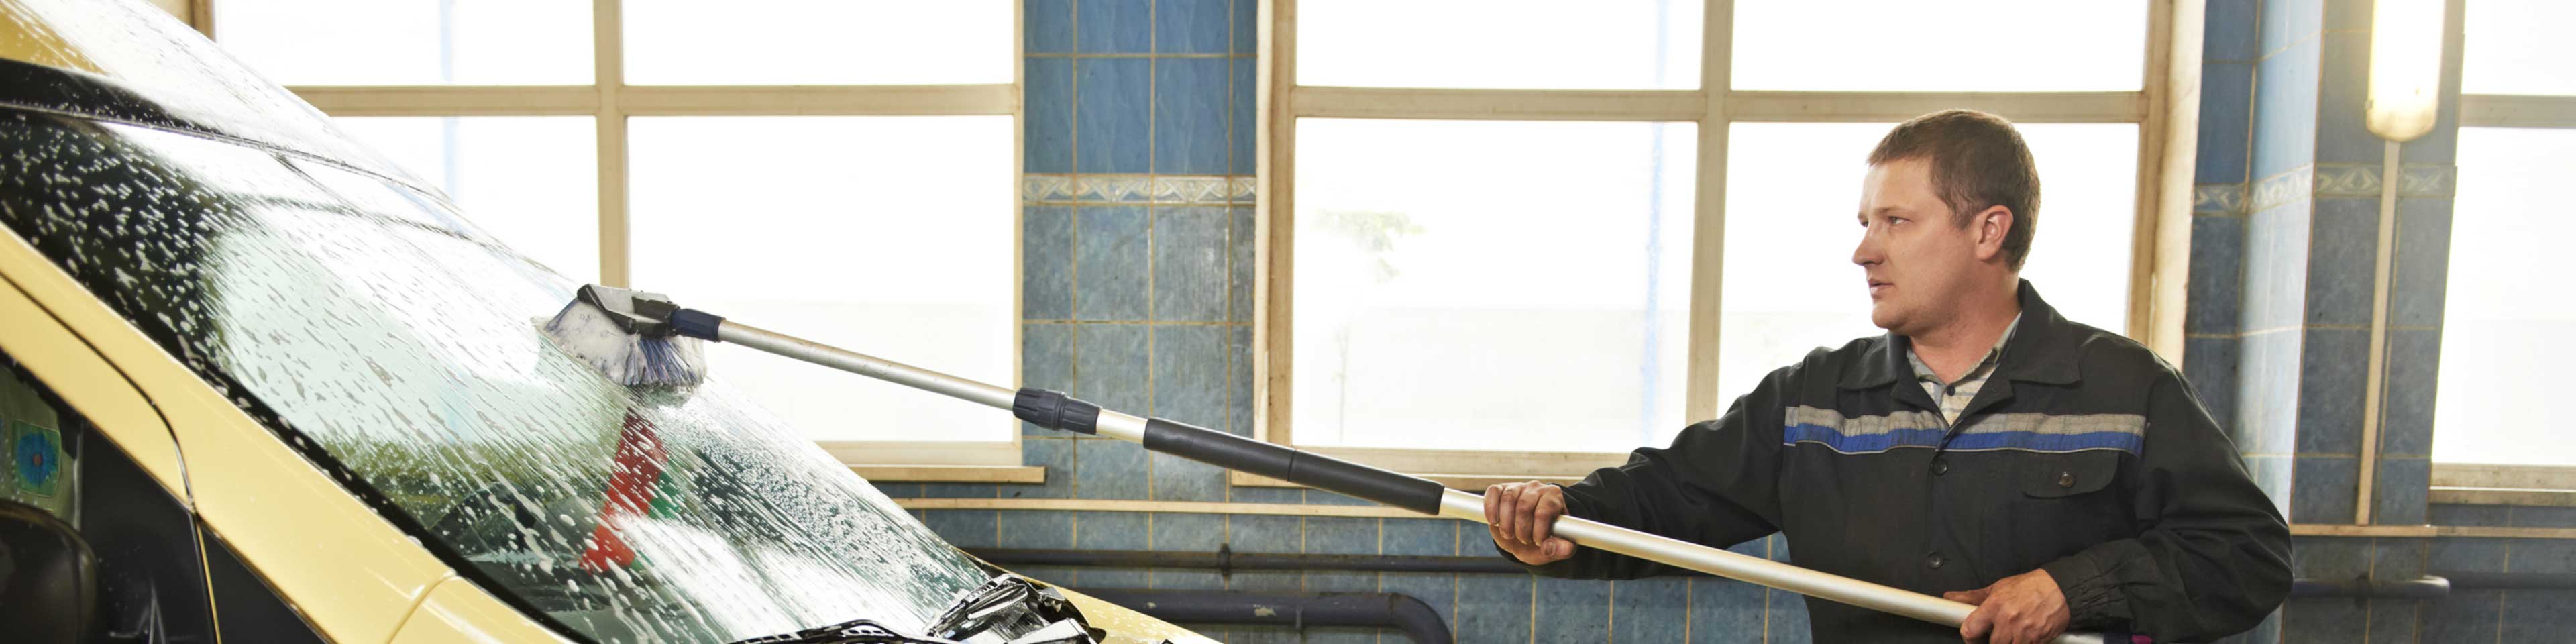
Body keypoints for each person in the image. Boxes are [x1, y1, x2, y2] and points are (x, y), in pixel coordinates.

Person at [1484, 109, 2290, 643]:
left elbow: (2246, 557)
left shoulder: (2125, 390)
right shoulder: (1812, 401)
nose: (1864, 250)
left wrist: (2071, 589)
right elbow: (1662, 503)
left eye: (1895, 221)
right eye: (1866, 223)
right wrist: (1560, 517)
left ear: (1988, 230)